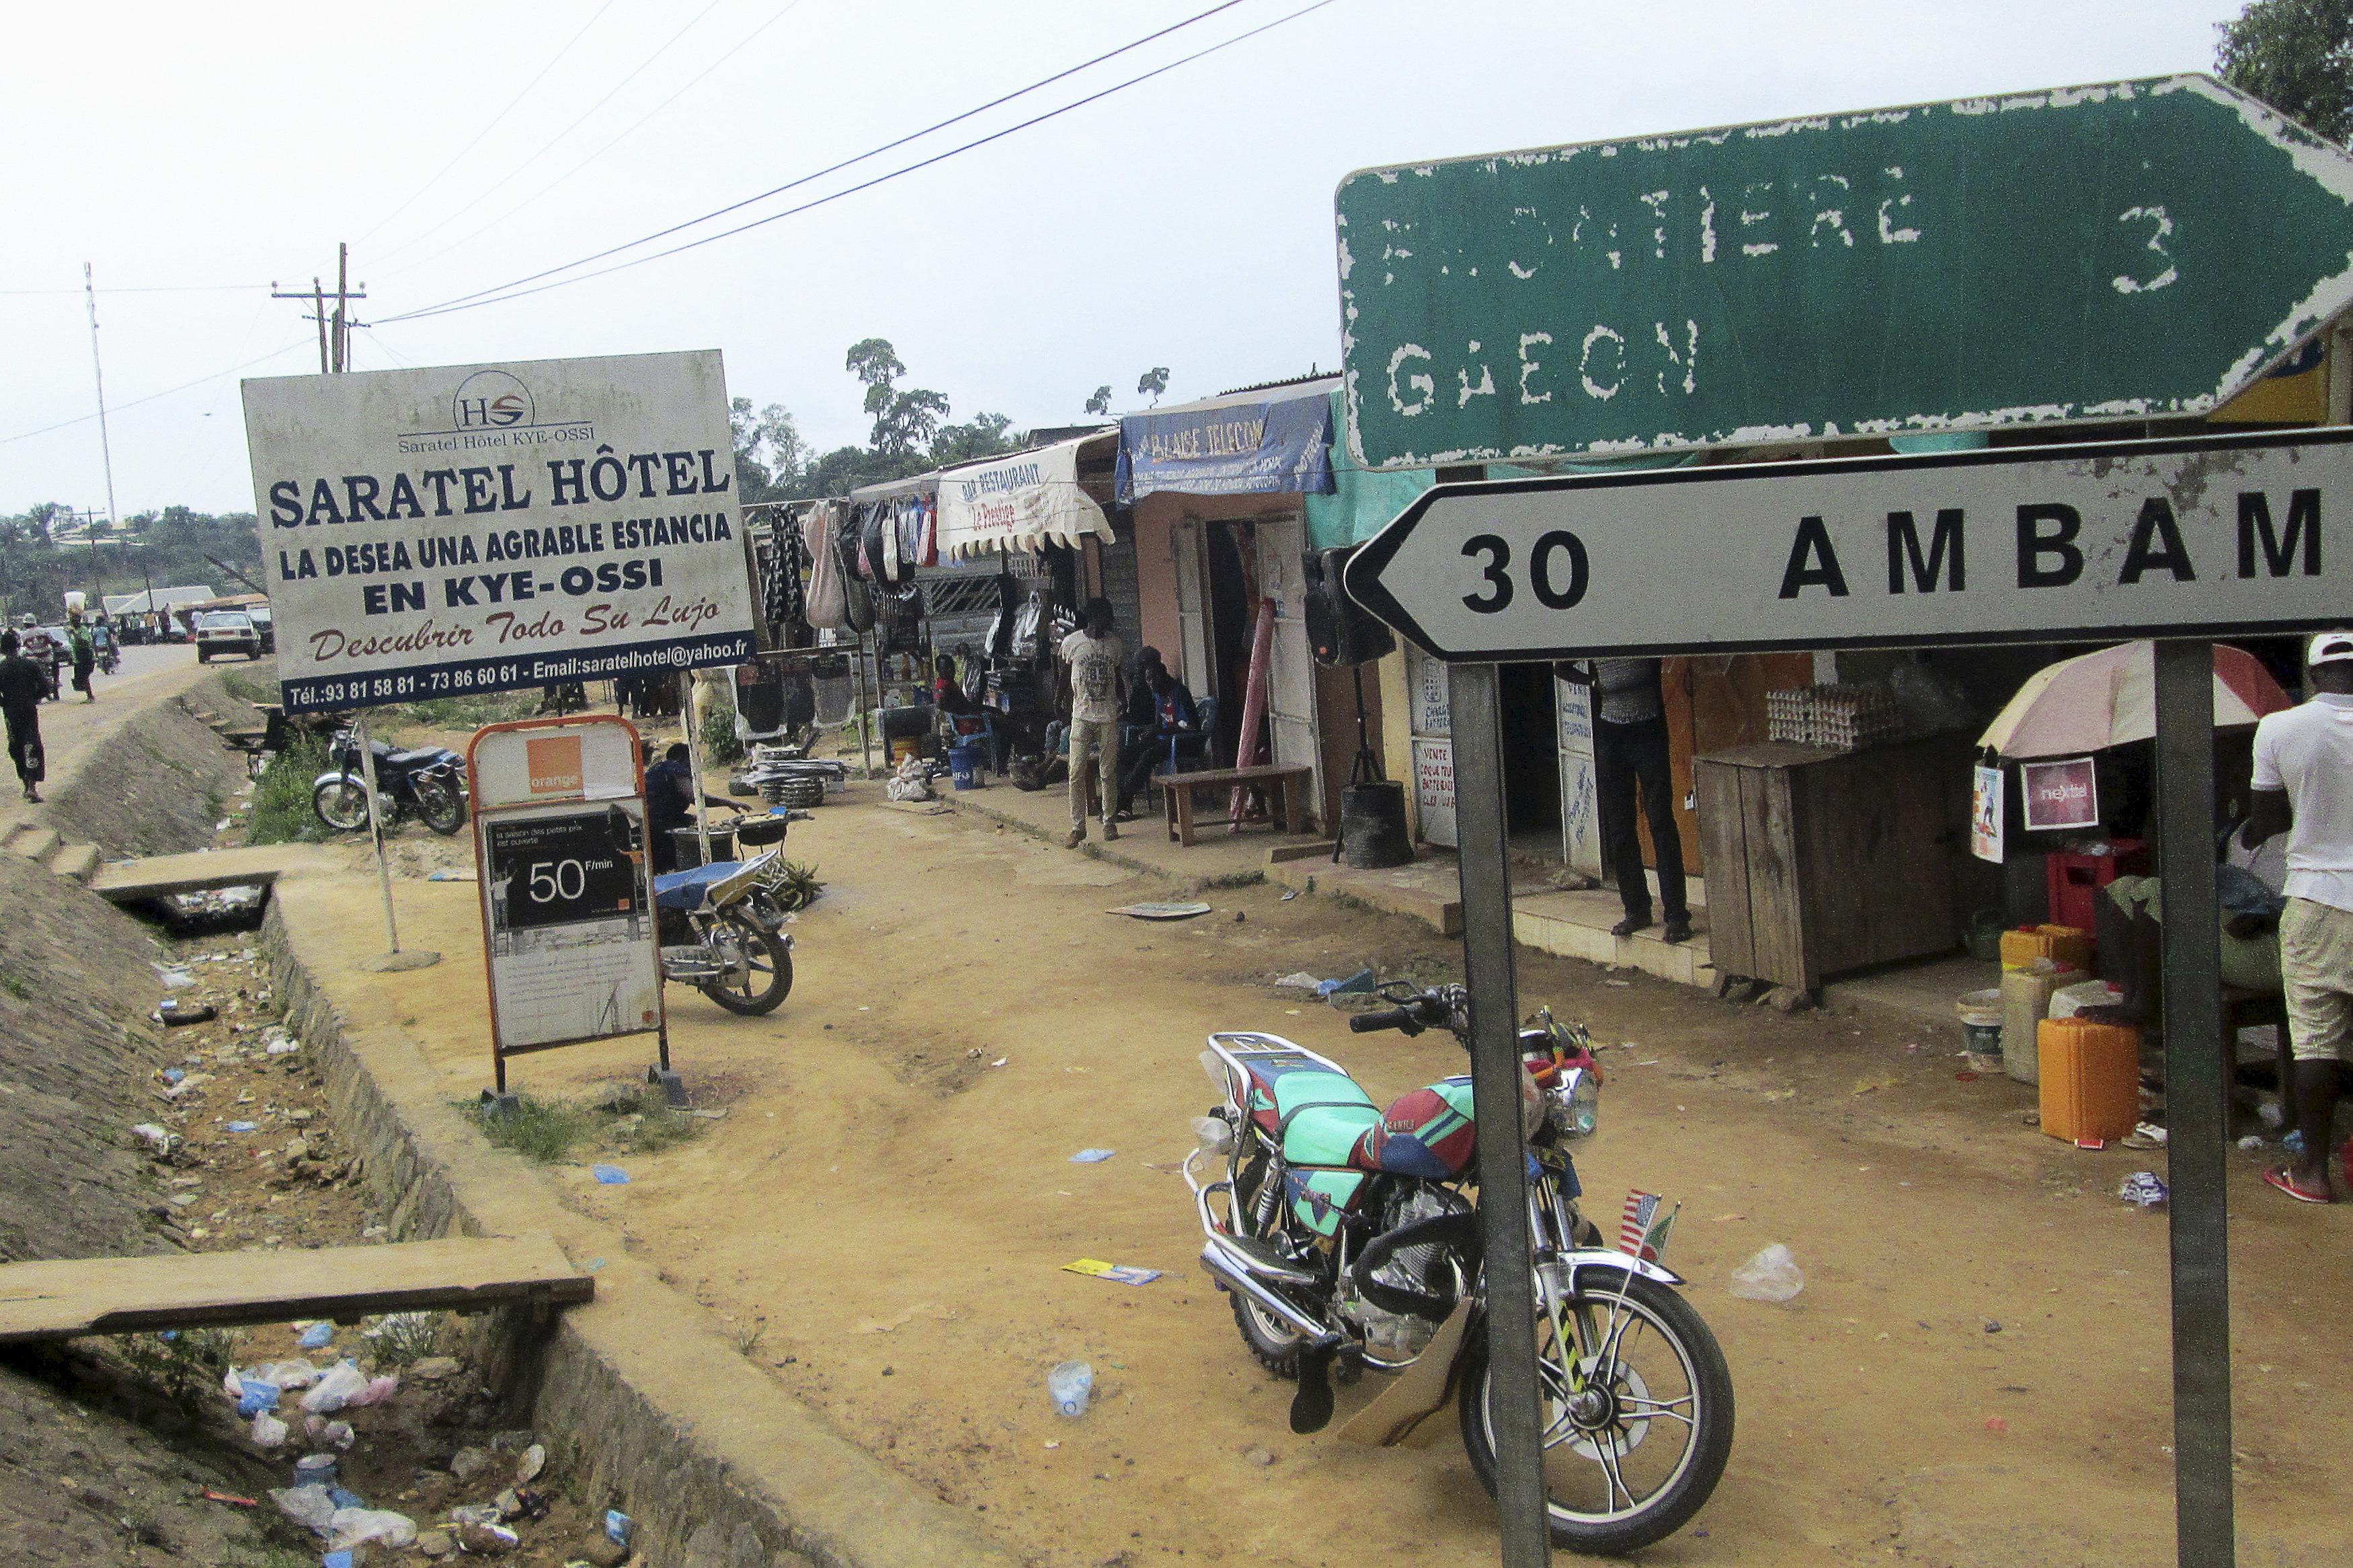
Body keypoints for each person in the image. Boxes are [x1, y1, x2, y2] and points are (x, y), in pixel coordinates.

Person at [2244, 630, 2353, 1203]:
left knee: (2316, 1040)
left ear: (2312, 675)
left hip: (2317, 900)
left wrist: (2250, 828)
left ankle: (2312, 1171)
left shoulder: (2281, 728)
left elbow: (2265, 818)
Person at [1587, 658, 1693, 943]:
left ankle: (1677, 915)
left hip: (1649, 732)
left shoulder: (1641, 635)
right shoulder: (1595, 638)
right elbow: (1561, 665)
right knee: (1621, 829)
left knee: (1660, 822)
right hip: (1611, 736)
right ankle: (1636, 910)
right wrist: (1595, 683)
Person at [1058, 597, 1125, 847]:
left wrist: (1123, 698)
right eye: (1103, 620)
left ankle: (1109, 821)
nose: (1105, 626)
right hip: (1081, 714)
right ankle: (1078, 827)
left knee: (1108, 771)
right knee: (1076, 770)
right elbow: (1064, 677)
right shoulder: (1072, 643)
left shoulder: (1115, 644)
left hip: (1108, 715)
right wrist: (1059, 703)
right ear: (1092, 619)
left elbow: (1116, 674)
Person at [1115, 663, 1198, 821]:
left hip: (1183, 742)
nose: (1151, 683)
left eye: (1154, 678)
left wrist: (1161, 731)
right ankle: (1124, 806)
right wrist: (1149, 732)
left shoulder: (1179, 692)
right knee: (1125, 754)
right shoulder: (1159, 695)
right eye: (1148, 680)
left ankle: (1121, 801)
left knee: (1148, 756)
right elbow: (1159, 724)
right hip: (1164, 740)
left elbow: (1191, 726)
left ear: (1164, 676)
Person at [643, 742, 735, 876]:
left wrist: (684, 817)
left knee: (660, 873)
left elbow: (660, 802)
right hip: (661, 831)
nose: (694, 764)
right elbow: (693, 797)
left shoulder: (656, 769)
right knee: (677, 869)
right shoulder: (676, 769)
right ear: (681, 758)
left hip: (648, 829)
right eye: (692, 758)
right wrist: (728, 802)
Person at [0, 630, 48, 802]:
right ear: (18, 647)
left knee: (16, 745)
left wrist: (5, 703)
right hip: (28, 709)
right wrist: (34, 698)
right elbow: (45, 686)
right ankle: (32, 787)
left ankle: (25, 783)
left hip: (11, 712)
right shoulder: (30, 665)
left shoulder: (1, 668)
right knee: (32, 743)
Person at [66, 615, 94, 702]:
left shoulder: (83, 630)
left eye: (75, 621)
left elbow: (84, 641)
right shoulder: (71, 631)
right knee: (79, 678)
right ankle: (88, 694)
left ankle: (90, 696)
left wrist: (74, 633)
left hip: (86, 656)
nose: (73, 622)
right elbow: (72, 644)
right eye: (72, 621)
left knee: (85, 677)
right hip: (77, 658)